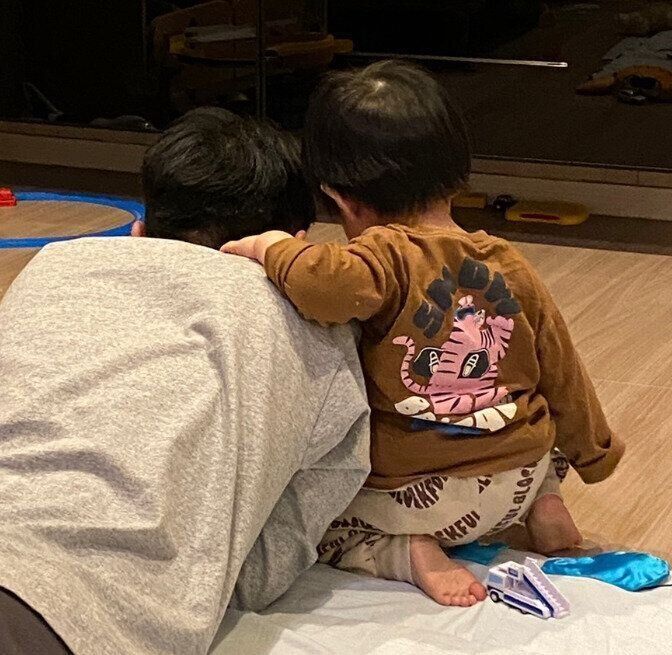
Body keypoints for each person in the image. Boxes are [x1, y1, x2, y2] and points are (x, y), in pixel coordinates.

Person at [221, 61, 625, 607]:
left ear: (343, 200)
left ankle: (411, 553)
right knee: (530, 421)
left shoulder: (382, 258)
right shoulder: (512, 263)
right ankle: (546, 506)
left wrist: (269, 245)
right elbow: (563, 372)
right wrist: (594, 454)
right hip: (519, 477)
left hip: (421, 497)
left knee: (319, 520)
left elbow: (321, 284)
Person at [0, 108, 370, 655]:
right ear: (295, 245)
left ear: (140, 230)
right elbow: (257, 573)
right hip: (69, 617)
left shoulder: (50, 268)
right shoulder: (313, 327)